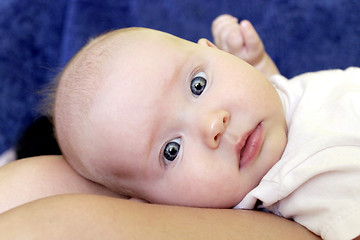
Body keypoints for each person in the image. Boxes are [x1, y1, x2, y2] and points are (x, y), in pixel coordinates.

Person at [0, 14, 358, 239]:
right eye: (172, 151)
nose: (212, 125)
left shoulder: (268, 104)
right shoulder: (298, 190)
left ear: (214, 51)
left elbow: (292, 101)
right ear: (159, 205)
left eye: (198, 85)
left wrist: (260, 66)